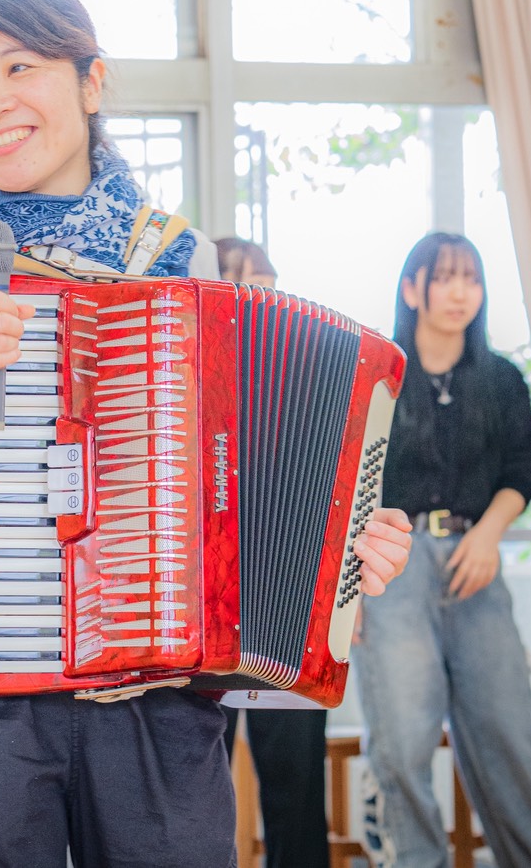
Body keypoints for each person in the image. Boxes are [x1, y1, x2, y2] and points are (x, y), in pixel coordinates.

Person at [0, 0, 412, 868]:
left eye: (20, 66)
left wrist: (344, 544)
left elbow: (236, 484)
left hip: (159, 690)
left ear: (92, 81)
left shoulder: (184, 260)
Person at [353, 231, 531, 868]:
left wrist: (489, 535)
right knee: (401, 745)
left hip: (476, 560)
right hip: (393, 568)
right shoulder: (378, 374)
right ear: (412, 287)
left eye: (470, 278)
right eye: (443, 277)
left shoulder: (501, 378)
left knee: (511, 736)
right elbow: (345, 482)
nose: (459, 292)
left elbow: (525, 468)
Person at [215, 237, 330, 868]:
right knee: (195, 790)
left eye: (272, 279)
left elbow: (332, 501)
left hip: (290, 610)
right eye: (250, 278)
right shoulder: (185, 374)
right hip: (206, 618)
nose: (268, 293)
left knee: (296, 786)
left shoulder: (308, 375)